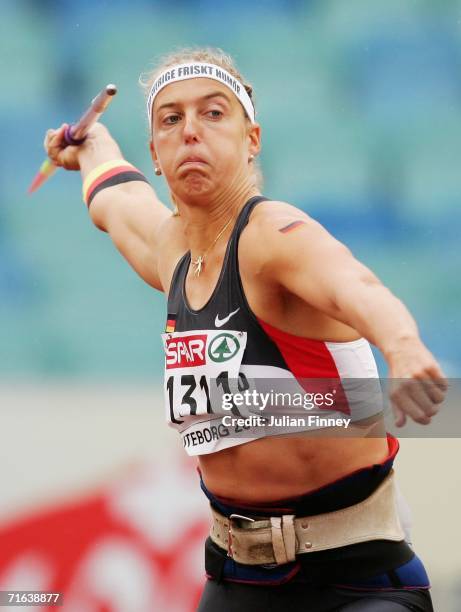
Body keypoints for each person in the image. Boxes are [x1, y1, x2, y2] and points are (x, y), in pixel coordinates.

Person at [45, 48, 447, 611]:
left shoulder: (275, 236)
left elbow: (358, 288)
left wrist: (403, 348)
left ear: (252, 139)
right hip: (237, 580)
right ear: (156, 155)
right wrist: (89, 146)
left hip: (353, 581)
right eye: (170, 119)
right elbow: (116, 200)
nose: (190, 132)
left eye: (213, 114)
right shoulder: (171, 252)